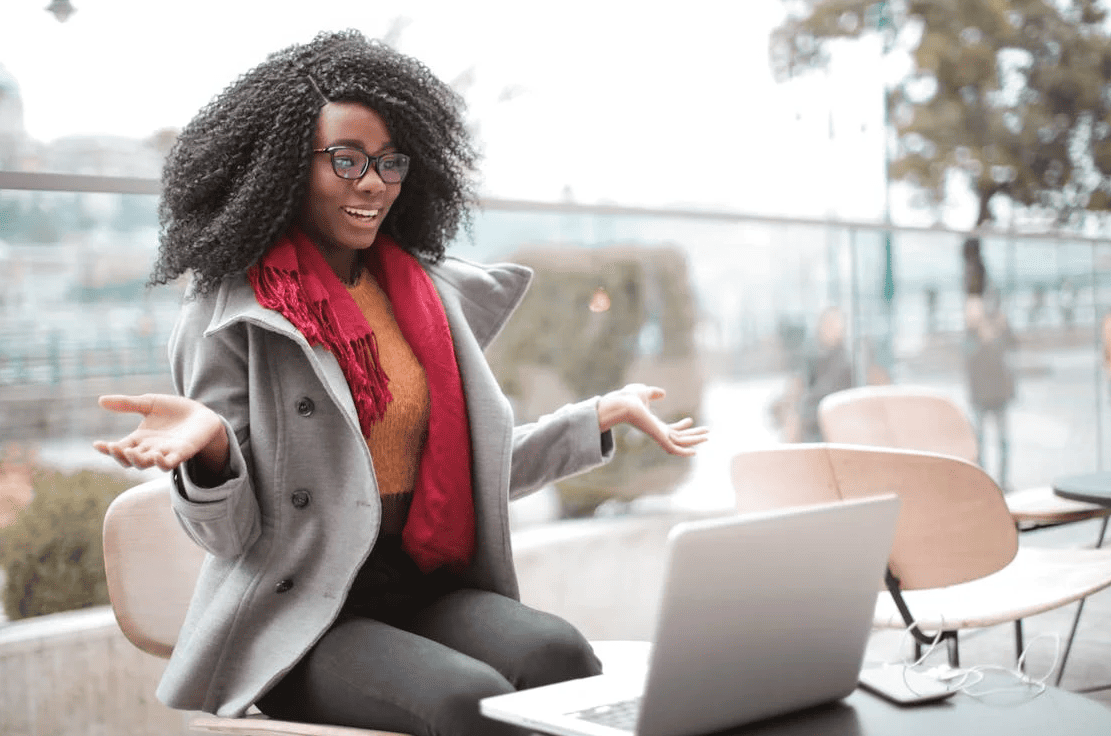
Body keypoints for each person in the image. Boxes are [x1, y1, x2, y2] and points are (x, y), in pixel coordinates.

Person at [92, 30, 707, 736]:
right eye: (345, 160)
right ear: (285, 167)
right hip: (306, 613)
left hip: (419, 581)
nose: (373, 183)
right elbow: (232, 537)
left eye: (388, 162)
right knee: (465, 700)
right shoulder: (231, 316)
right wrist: (210, 455)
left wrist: (596, 417)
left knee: (558, 654)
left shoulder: (422, 295)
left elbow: (465, 474)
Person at [963, 291, 1016, 491]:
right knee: (980, 442)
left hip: (998, 394)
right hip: (981, 395)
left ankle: (1003, 481)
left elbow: (1011, 348)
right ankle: (983, 483)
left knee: (1002, 441)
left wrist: (999, 331)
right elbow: (969, 361)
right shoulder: (972, 332)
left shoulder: (999, 328)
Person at [796, 305, 853, 442]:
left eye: (834, 324)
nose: (829, 329)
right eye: (826, 324)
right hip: (814, 423)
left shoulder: (846, 362)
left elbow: (823, 394)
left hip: (833, 424)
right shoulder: (813, 357)